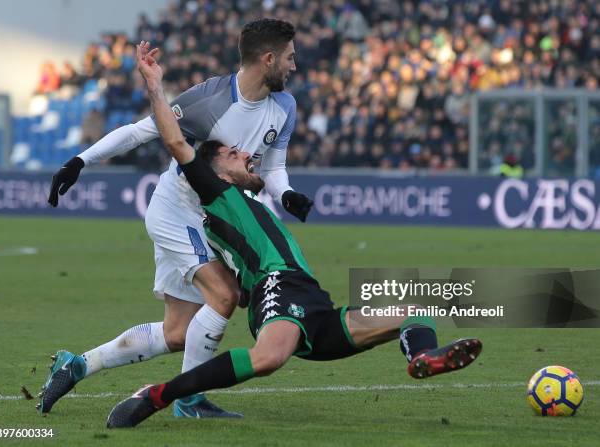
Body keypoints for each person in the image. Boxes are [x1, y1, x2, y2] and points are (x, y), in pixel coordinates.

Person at [106, 41, 482, 428]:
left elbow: (270, 182)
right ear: (214, 171)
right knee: (268, 358)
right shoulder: (216, 193)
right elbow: (173, 140)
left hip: (310, 296)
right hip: (277, 287)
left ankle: (422, 358)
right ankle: (158, 395)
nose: (247, 155)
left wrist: (285, 193)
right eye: (235, 155)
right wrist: (155, 87)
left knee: (414, 312)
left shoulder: (250, 197)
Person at [40, 19, 313, 419]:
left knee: (178, 334)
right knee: (224, 296)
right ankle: (188, 400)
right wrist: (80, 161)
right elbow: (140, 132)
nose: (295, 65)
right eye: (289, 57)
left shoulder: (284, 106)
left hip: (215, 217)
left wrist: (285, 193)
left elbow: (273, 166)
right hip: (178, 211)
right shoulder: (210, 100)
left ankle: (77, 364)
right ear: (268, 58)